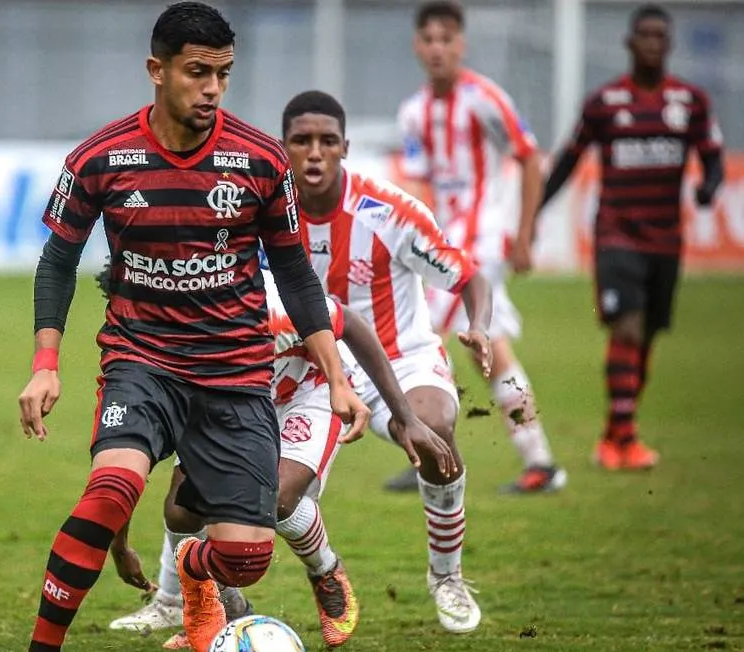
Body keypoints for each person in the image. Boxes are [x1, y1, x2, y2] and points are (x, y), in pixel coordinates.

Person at [17, 3, 370, 651]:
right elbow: (57, 262)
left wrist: (337, 379)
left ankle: (195, 568)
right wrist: (46, 364)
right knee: (113, 489)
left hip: (234, 375)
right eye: (197, 72)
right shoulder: (100, 158)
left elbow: (295, 277)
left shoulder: (262, 160)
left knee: (246, 559)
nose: (211, 88)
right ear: (158, 70)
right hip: (141, 362)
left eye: (224, 75)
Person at [102, 258, 457, 649]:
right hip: (228, 401)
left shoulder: (267, 308)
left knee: (277, 498)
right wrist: (118, 544)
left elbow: (350, 323)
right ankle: (223, 610)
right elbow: (125, 455)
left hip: (308, 388)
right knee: (181, 509)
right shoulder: (146, 351)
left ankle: (326, 572)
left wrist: (404, 417)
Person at [286, 90, 492, 633]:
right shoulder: (263, 214)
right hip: (304, 370)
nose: (314, 153)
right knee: (234, 472)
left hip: (399, 360)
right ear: (282, 149)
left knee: (438, 432)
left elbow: (467, 275)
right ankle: (176, 595)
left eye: (326, 141)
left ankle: (446, 578)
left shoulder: (388, 212)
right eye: (301, 141)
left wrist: (478, 326)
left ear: (345, 148)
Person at [387, 0, 565, 495]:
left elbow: (530, 159)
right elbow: (419, 188)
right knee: (448, 343)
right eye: (429, 39)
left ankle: (538, 460)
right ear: (417, 46)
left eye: (447, 39)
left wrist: (526, 233)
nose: (438, 48)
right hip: (445, 244)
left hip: (483, 241)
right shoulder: (413, 112)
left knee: (464, 341)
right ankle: (433, 449)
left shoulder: (485, 98)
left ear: (460, 44)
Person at [538, 3, 724, 470]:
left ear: (669, 44)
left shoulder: (691, 102)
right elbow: (568, 159)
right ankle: (626, 436)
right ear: (630, 42)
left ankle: (613, 435)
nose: (652, 43)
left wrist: (709, 187)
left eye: (660, 36)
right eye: (644, 35)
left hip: (666, 239)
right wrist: (533, 212)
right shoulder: (604, 104)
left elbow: (715, 157)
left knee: (646, 339)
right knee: (627, 328)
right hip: (617, 234)